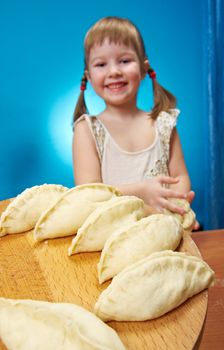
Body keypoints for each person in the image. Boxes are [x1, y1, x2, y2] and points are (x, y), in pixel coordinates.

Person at [72, 16, 198, 225]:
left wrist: (178, 207)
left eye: (124, 61)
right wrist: (141, 191)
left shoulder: (164, 123)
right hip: (111, 237)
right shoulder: (87, 130)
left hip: (162, 229)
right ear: (89, 76)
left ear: (143, 68)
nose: (114, 71)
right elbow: (88, 196)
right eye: (101, 64)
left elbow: (180, 178)